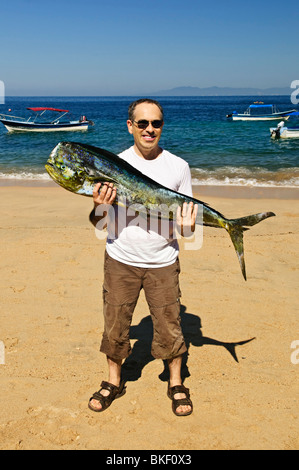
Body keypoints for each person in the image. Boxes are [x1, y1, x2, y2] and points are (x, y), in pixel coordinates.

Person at [88, 98, 198, 416]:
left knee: (170, 325)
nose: (150, 129)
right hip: (120, 259)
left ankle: (176, 382)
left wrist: (189, 226)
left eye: (156, 123)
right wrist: (99, 205)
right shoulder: (112, 165)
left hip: (163, 261)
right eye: (143, 123)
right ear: (130, 126)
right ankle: (113, 381)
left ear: (162, 126)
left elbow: (187, 229)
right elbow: (99, 222)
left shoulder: (179, 167)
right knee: (115, 324)